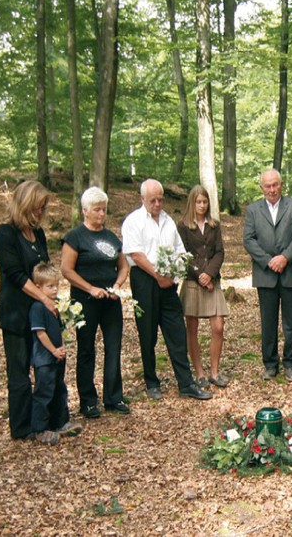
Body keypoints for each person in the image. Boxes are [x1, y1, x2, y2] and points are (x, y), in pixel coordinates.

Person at [121, 179, 212, 401]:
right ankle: (152, 382)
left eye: (161, 199)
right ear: (142, 199)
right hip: (145, 280)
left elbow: (180, 251)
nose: (158, 203)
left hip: (168, 282)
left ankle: (186, 383)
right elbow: (136, 254)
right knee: (148, 333)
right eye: (153, 200)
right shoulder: (133, 221)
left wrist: (175, 273)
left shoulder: (168, 221)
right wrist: (157, 275)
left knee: (177, 332)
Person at [61, 187, 130, 418]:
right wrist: (90, 288)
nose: (102, 214)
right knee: (87, 349)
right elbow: (66, 270)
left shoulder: (111, 237)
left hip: (110, 302)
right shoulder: (75, 237)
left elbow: (123, 266)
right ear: (85, 211)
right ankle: (88, 401)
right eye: (97, 210)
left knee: (113, 347)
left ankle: (113, 397)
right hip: (85, 302)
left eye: (104, 209)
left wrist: (117, 286)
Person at [0, 180, 54, 440]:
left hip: (38, 312)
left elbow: (45, 268)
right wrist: (43, 296)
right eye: (38, 207)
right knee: (19, 372)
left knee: (44, 367)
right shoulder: (5, 234)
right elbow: (16, 275)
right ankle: (21, 427)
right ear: (25, 205)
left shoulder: (38, 234)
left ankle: (43, 418)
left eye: (43, 208)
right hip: (16, 313)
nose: (40, 213)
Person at [243, 169, 292, 382]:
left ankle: (290, 363)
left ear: (281, 185)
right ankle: (270, 364)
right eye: (267, 186)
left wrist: (284, 258)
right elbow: (249, 239)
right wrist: (268, 261)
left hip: (291, 271)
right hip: (265, 274)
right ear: (262, 188)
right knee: (268, 322)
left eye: (275, 185)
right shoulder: (253, 210)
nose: (271, 189)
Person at [177, 185, 230, 389]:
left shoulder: (214, 225)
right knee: (192, 328)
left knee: (218, 327)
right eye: (198, 201)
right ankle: (199, 372)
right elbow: (182, 254)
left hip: (212, 280)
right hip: (193, 281)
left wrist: (210, 274)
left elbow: (219, 252)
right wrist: (200, 275)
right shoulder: (183, 226)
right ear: (192, 202)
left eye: (205, 202)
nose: (201, 205)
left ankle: (214, 372)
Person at [29, 263, 84, 445]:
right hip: (44, 358)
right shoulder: (38, 307)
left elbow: (58, 330)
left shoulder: (55, 306)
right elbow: (41, 333)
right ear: (39, 287)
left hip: (57, 356)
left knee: (59, 388)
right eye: (50, 286)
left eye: (56, 286)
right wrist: (53, 350)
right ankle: (40, 428)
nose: (54, 290)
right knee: (43, 392)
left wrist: (61, 348)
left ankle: (60, 422)